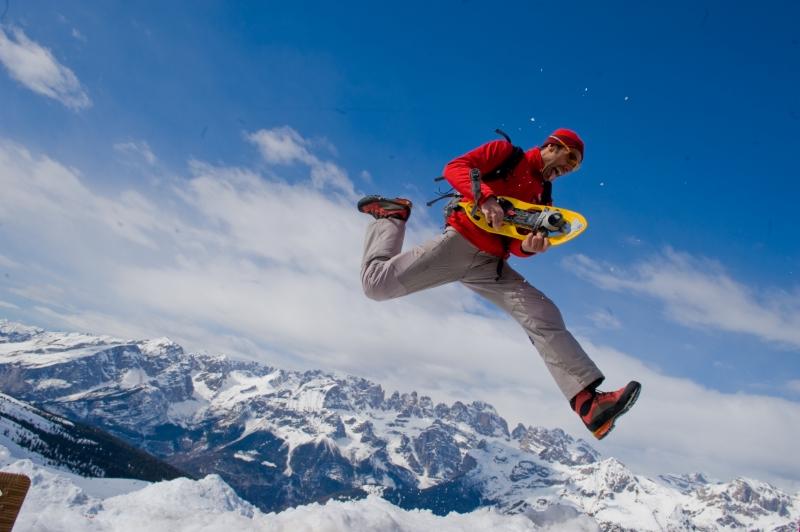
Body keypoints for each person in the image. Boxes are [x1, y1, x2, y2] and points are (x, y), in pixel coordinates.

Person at [357, 129, 640, 440]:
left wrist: (529, 248)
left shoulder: (543, 199)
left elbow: (516, 242)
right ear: (551, 145)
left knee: (542, 312)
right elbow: (455, 168)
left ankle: (588, 402)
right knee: (376, 285)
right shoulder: (506, 154)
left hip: (490, 265)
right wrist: (486, 196)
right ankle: (392, 217)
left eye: (576, 166)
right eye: (570, 157)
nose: (569, 167)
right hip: (460, 243)